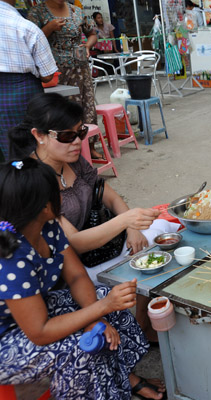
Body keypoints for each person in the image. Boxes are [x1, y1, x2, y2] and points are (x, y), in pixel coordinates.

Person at [9, 93, 178, 342]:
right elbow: (72, 243)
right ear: (39, 135)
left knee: (160, 230)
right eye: (66, 136)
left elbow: (110, 197)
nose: (77, 142)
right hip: (71, 265)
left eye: (80, 132)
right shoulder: (34, 182)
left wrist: (132, 228)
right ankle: (140, 326)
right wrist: (125, 221)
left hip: (100, 247)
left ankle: (142, 321)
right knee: (144, 256)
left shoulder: (74, 161)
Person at [0, 158, 166, 400]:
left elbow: (77, 276)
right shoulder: (11, 259)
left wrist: (96, 316)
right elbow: (40, 332)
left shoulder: (47, 227)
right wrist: (100, 309)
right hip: (8, 339)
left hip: (36, 311)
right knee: (80, 349)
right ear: (45, 207)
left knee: (107, 305)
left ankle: (122, 379)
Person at [27, 0, 104, 161]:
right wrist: (49, 28)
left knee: (87, 106)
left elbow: (92, 34)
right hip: (56, 72)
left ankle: (90, 146)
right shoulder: (37, 13)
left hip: (81, 68)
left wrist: (88, 46)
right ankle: (67, 151)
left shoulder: (77, 11)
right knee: (63, 112)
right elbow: (30, 40)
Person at [0, 0, 58, 163]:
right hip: (21, 95)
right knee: (28, 149)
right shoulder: (26, 27)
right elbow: (48, 75)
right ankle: (27, 184)